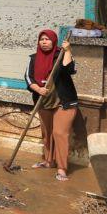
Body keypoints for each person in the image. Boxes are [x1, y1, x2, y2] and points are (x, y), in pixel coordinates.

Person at [25, 30, 78, 181]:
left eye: (48, 39)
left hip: (64, 102)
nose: (44, 42)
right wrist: (38, 89)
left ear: (54, 41)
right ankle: (49, 161)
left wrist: (68, 50)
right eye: (42, 39)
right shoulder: (34, 58)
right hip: (44, 102)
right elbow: (28, 78)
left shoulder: (60, 55)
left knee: (59, 133)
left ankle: (62, 168)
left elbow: (71, 69)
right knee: (47, 133)